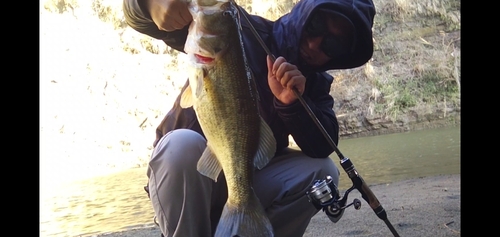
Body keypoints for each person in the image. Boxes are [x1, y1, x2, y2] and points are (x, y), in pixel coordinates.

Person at [123, 0, 376, 236]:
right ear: (304, 14)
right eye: (316, 26)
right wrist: (148, 4)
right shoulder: (236, 32)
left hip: (245, 178)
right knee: (179, 146)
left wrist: (292, 104)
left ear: (342, 55)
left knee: (324, 172)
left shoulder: (314, 84)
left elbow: (324, 143)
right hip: (188, 185)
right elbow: (141, 19)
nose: (315, 44)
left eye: (333, 44)